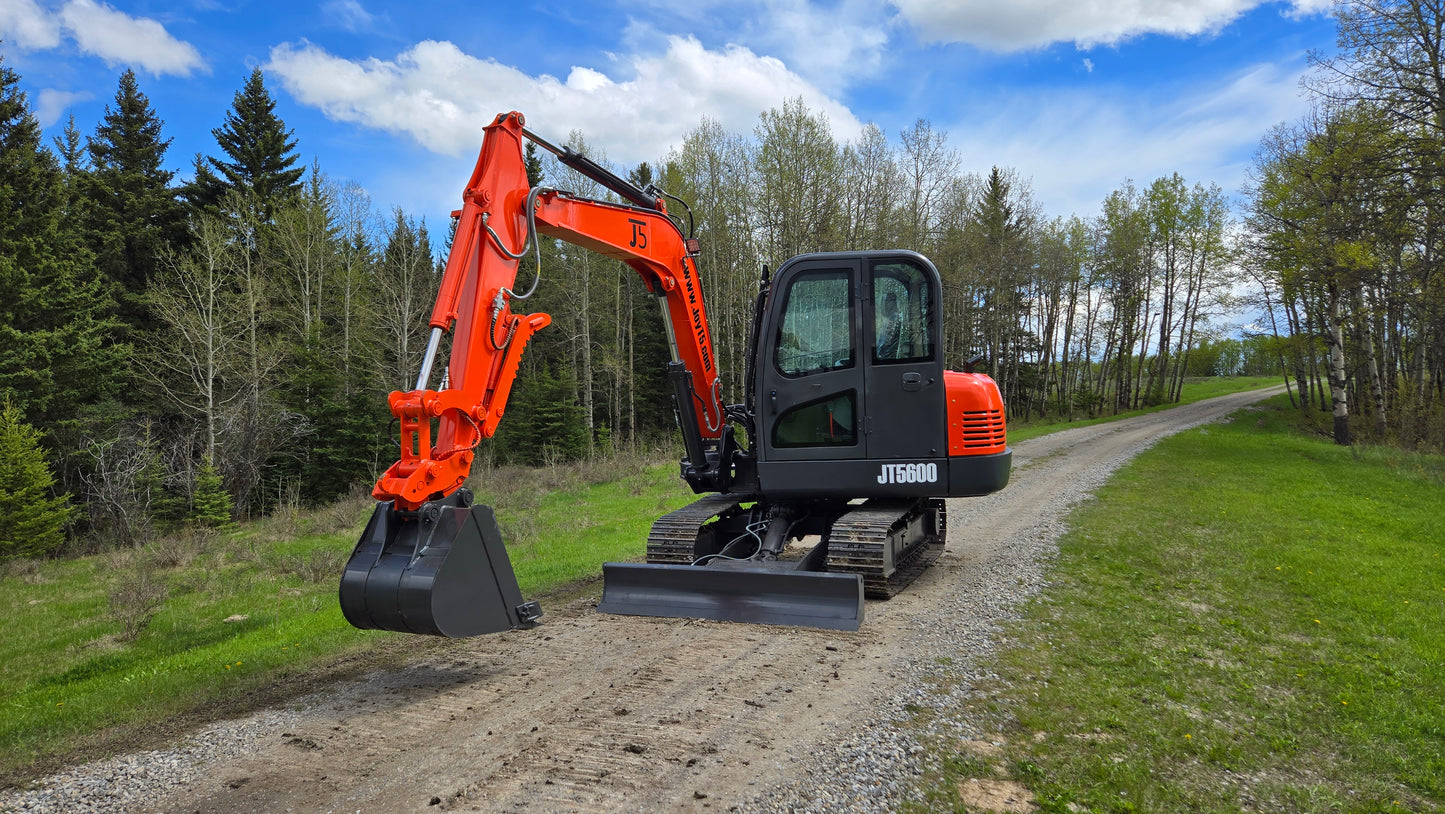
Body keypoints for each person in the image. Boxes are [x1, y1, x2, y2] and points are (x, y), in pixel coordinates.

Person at [876, 292, 903, 360]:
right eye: (884, 301)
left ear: (893, 303)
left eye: (887, 301)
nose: (884, 304)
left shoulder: (894, 318)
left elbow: (888, 342)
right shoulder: (889, 318)